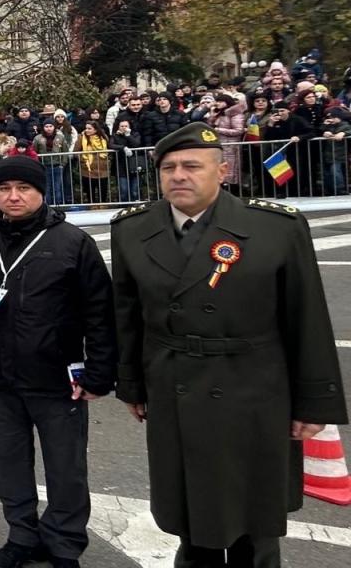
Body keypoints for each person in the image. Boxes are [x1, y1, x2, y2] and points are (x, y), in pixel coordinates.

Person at [110, 122, 347, 567]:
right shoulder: (132, 230)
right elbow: (127, 315)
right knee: (190, 516)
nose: (179, 175)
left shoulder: (275, 227)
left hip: (254, 388)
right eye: (169, 167)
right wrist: (132, 384)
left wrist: (314, 403)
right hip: (174, 383)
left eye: (192, 166)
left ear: (222, 171)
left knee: (255, 524)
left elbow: (307, 318)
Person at [0, 158, 116, 568]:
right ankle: (21, 535)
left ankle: (63, 544)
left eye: (23, 188)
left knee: (66, 470)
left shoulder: (72, 242)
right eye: (4, 189)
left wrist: (98, 372)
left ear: (41, 192)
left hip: (58, 380)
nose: (13, 196)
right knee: (10, 465)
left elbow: (100, 313)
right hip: (0, 380)